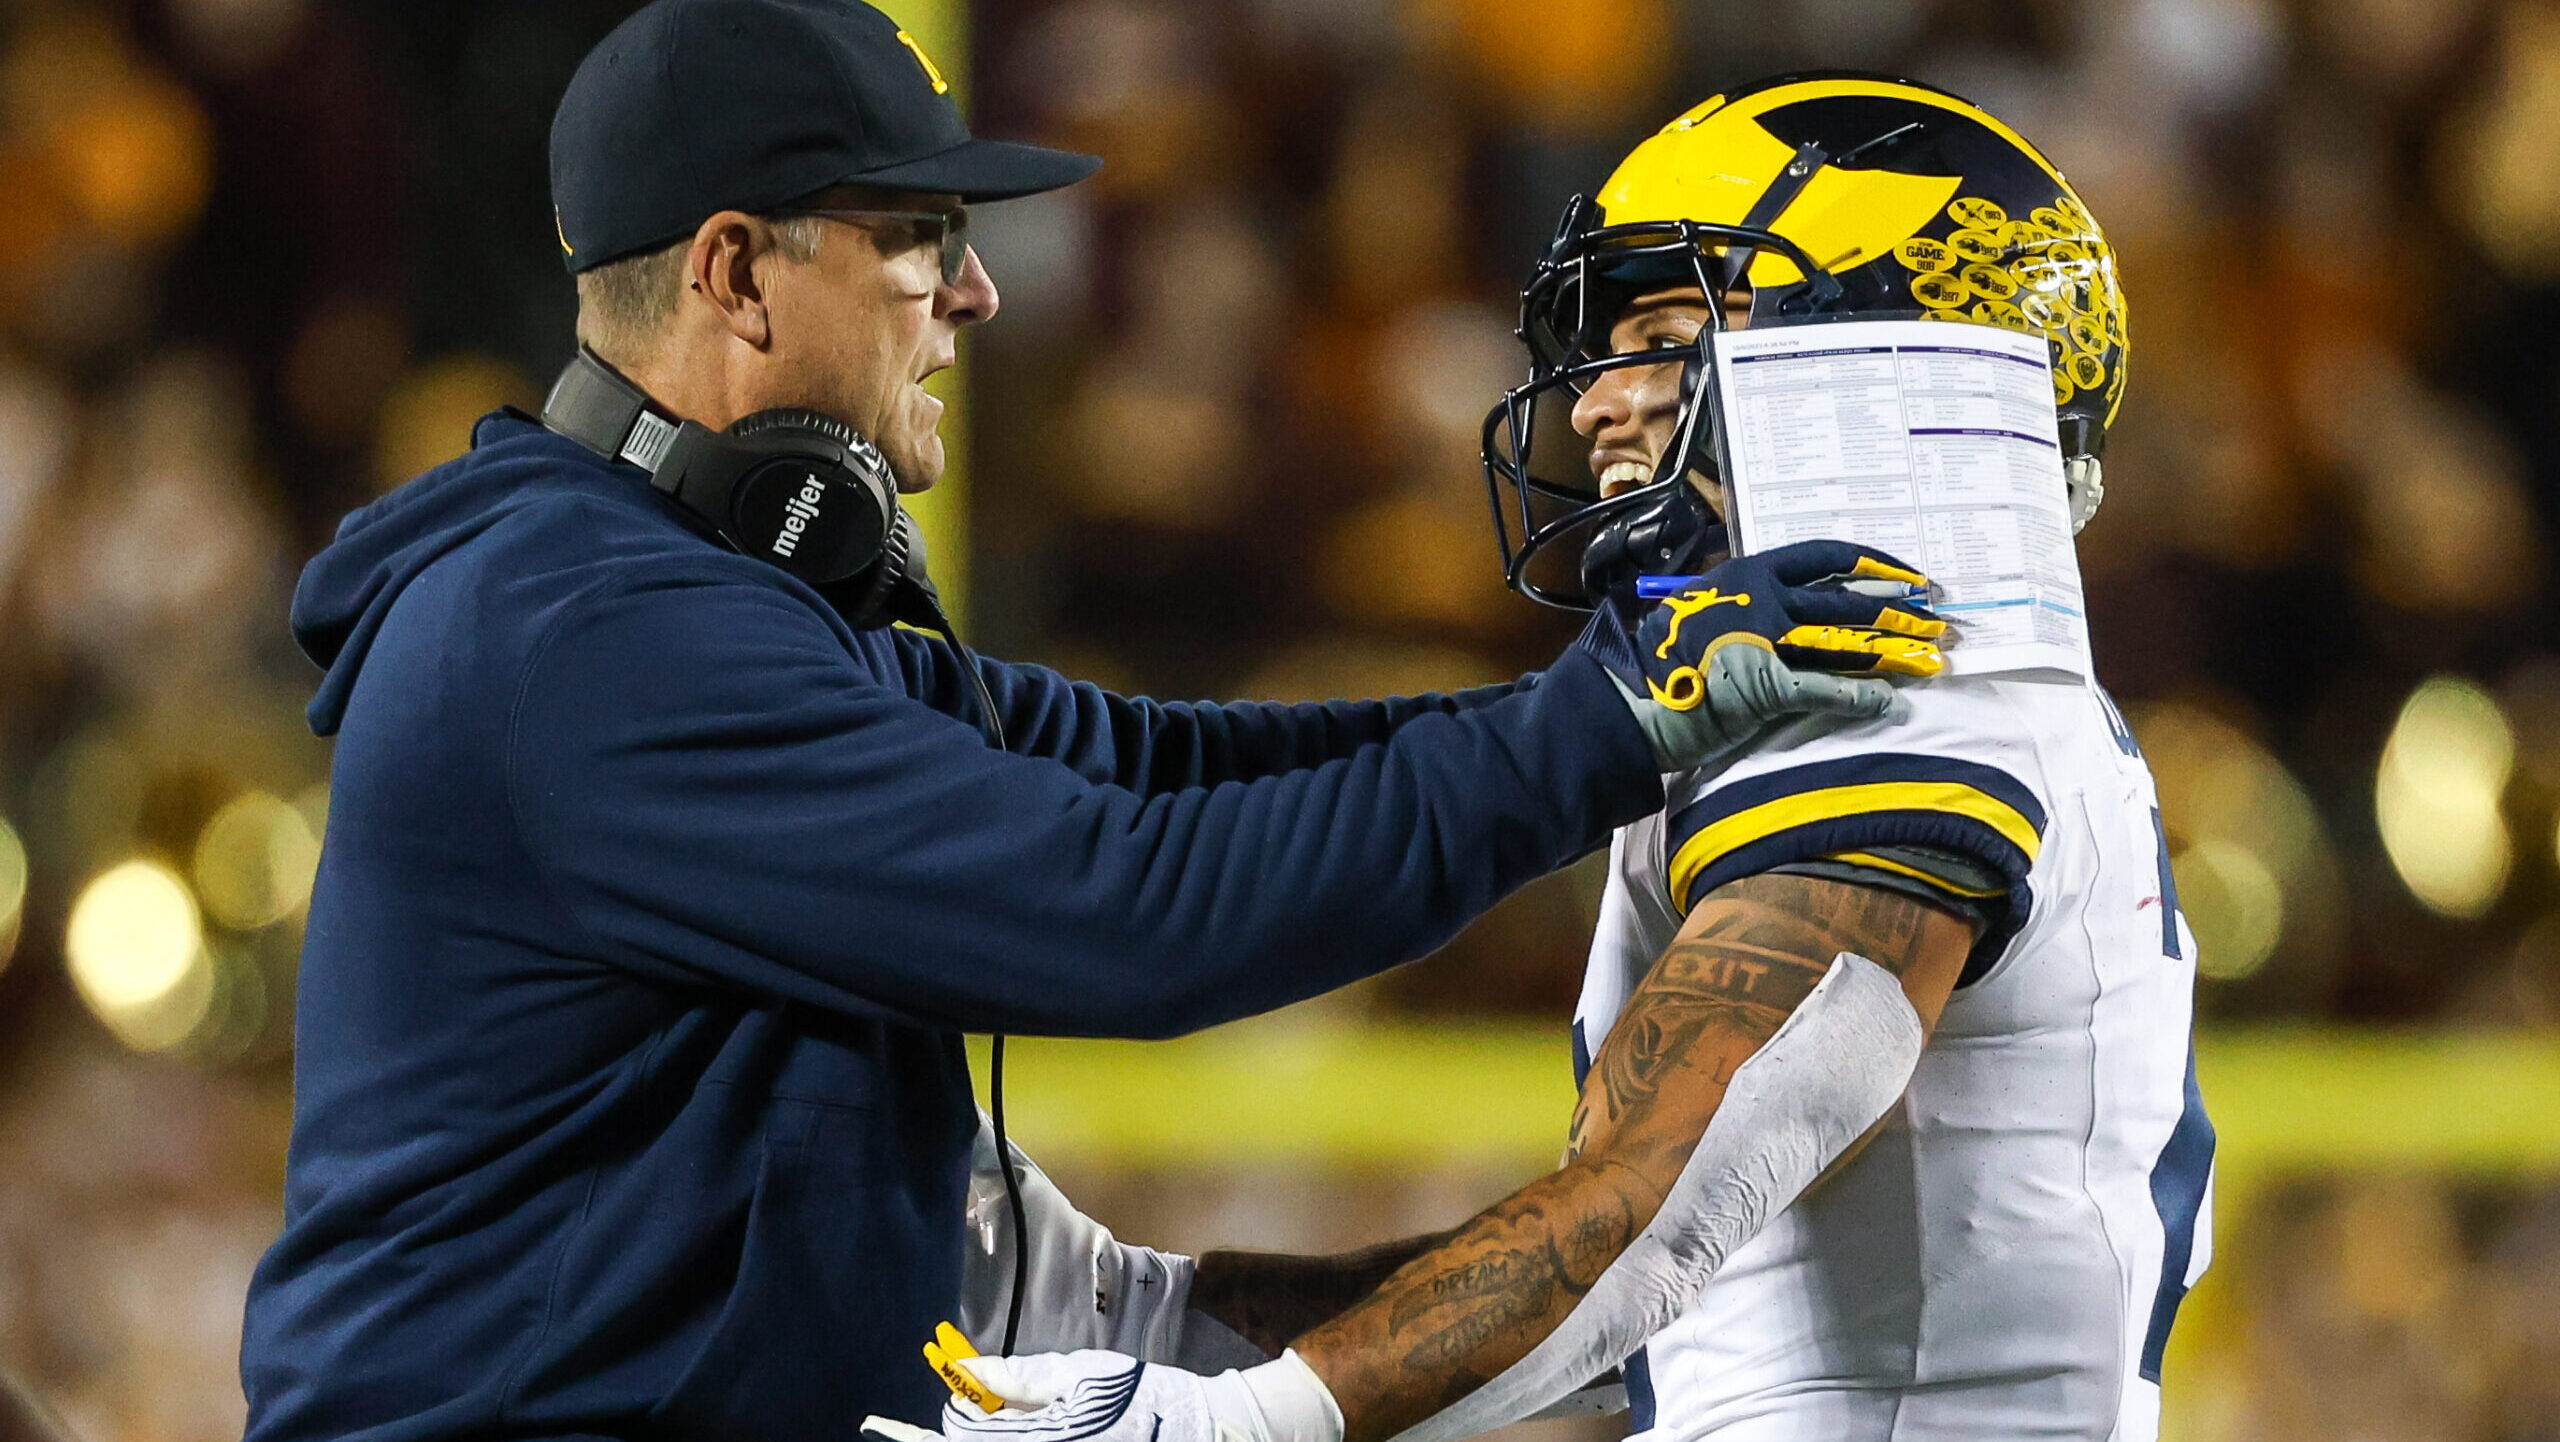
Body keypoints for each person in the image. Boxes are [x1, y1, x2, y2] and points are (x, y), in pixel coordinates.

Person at [235, 7, 1953, 1439]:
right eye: (923, 237)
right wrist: (1607, 722)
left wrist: (1584, 708)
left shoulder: (691, 600)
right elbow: (1133, 907)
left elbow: (1165, 768)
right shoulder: (585, 637)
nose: (977, 294)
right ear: (737, 274)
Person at [923, 73, 2213, 1442]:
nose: (1596, 403)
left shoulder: (1909, 682)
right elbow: (1673, 1321)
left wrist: (1233, 1423)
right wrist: (1139, 1307)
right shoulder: (1870, 678)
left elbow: (1651, 1216)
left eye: (1662, 332)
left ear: (1884, 340)